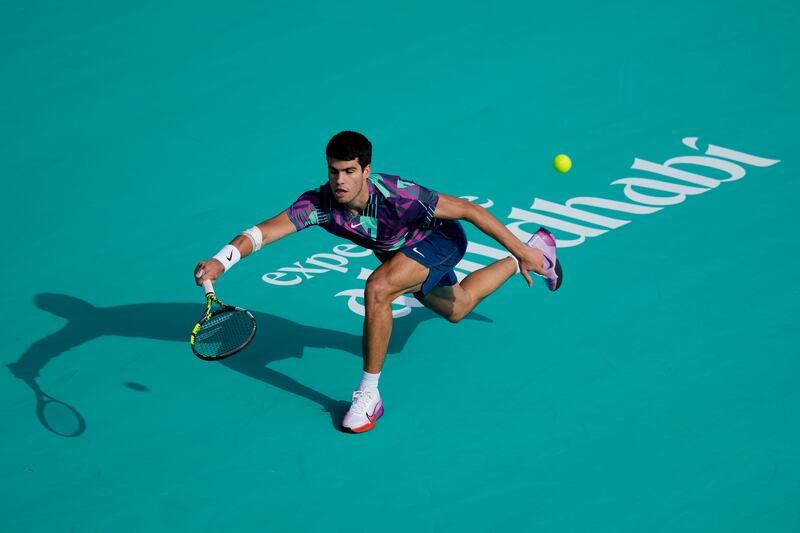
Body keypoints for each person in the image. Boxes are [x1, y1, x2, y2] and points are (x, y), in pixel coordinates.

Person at [194, 131, 563, 433]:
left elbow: (470, 210)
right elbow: (265, 231)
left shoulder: (400, 195)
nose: (340, 181)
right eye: (334, 171)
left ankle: (369, 396)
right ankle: (527, 256)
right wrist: (221, 259)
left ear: (366, 170)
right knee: (458, 306)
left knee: (378, 288)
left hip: (438, 241)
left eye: (349, 171)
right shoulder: (319, 204)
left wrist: (512, 238)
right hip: (399, 253)